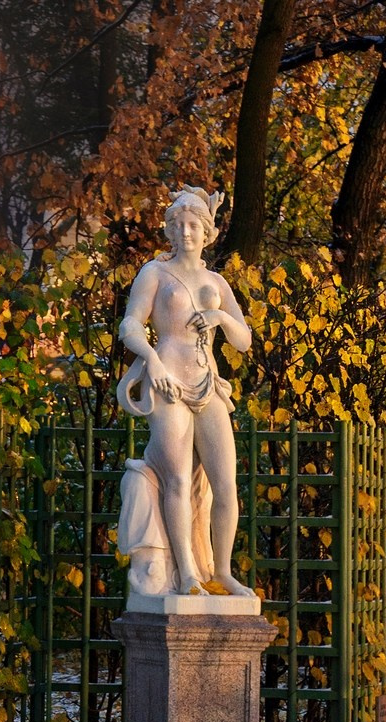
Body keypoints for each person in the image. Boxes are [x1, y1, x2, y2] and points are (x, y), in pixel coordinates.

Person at [116, 187, 256, 598]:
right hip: (169, 383)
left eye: (194, 224)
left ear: (207, 231)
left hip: (208, 384)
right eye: (178, 225)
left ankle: (224, 571)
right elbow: (130, 326)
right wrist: (153, 362)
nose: (187, 232)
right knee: (177, 480)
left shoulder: (216, 282)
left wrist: (218, 317)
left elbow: (243, 339)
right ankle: (189, 574)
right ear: (170, 232)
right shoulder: (154, 274)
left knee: (225, 485)